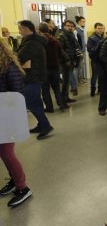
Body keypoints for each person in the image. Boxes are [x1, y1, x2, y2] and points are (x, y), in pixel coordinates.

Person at [0, 40, 32, 207]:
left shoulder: (9, 66)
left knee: (7, 153)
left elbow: (17, 95)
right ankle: (14, 180)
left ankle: (23, 187)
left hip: (7, 117)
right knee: (2, 152)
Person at [17, 20, 53, 139]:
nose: (19, 31)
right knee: (35, 102)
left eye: (20, 29)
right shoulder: (30, 41)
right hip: (33, 76)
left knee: (31, 102)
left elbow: (18, 57)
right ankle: (42, 124)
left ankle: (46, 126)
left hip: (33, 77)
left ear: (26, 29)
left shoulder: (32, 43)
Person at [38, 22, 68, 112]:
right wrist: (65, 60)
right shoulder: (55, 40)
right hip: (55, 68)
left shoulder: (39, 41)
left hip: (44, 69)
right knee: (56, 88)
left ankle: (49, 107)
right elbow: (61, 53)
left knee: (45, 90)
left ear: (39, 30)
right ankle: (61, 104)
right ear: (49, 30)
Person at [58, 19, 81, 104]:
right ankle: (63, 100)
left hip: (72, 61)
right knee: (65, 81)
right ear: (64, 26)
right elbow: (60, 49)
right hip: (65, 62)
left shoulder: (71, 35)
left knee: (67, 81)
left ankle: (66, 97)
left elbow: (76, 46)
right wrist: (67, 59)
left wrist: (78, 55)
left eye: (72, 26)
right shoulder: (61, 36)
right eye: (68, 26)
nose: (70, 27)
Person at [97, 27, 107, 115]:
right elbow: (95, 54)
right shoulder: (101, 42)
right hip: (103, 70)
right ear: (106, 33)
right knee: (104, 90)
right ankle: (102, 108)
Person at [87, 22, 104, 97]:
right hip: (95, 60)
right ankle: (92, 90)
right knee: (95, 76)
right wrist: (98, 45)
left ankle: (100, 89)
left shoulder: (103, 38)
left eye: (101, 28)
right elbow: (89, 49)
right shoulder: (91, 38)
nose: (100, 30)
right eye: (98, 28)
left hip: (102, 60)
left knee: (101, 76)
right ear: (95, 29)